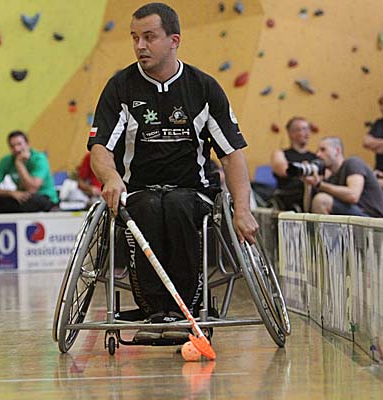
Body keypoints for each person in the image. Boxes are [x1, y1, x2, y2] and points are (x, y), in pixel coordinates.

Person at [88, 3, 258, 326]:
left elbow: (231, 153)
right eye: (134, 37)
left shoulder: (203, 88)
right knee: (149, 207)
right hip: (138, 191)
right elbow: (100, 148)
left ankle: (187, 305)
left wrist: (243, 209)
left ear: (174, 40)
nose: (140, 45)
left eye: (149, 37)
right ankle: (153, 307)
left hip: (193, 191)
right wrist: (110, 177)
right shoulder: (120, 87)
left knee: (178, 205)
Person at [305, 137, 383, 218]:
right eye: (317, 151)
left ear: (337, 151)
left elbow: (353, 195)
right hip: (354, 217)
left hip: (373, 219)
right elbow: (307, 210)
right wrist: (308, 184)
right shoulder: (331, 179)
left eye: (323, 150)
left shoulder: (353, 163)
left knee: (321, 200)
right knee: (319, 200)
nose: (318, 154)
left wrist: (320, 185)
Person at [0, 131, 59, 213]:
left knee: (31, 200)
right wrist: (11, 193)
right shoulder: (6, 160)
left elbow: (32, 189)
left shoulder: (39, 159)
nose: (16, 149)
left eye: (19, 144)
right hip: (21, 196)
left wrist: (20, 164)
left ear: (27, 144)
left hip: (43, 196)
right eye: (12, 146)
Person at [269, 117, 318, 211]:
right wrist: (306, 170)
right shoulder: (280, 153)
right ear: (291, 133)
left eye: (307, 129)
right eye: (302, 129)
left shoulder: (315, 156)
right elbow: (283, 170)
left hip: (312, 195)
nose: (307, 133)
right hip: (289, 197)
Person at [362, 93, 383, 217]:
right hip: (379, 169)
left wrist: (376, 145)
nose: (381, 108)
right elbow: (366, 142)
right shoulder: (379, 123)